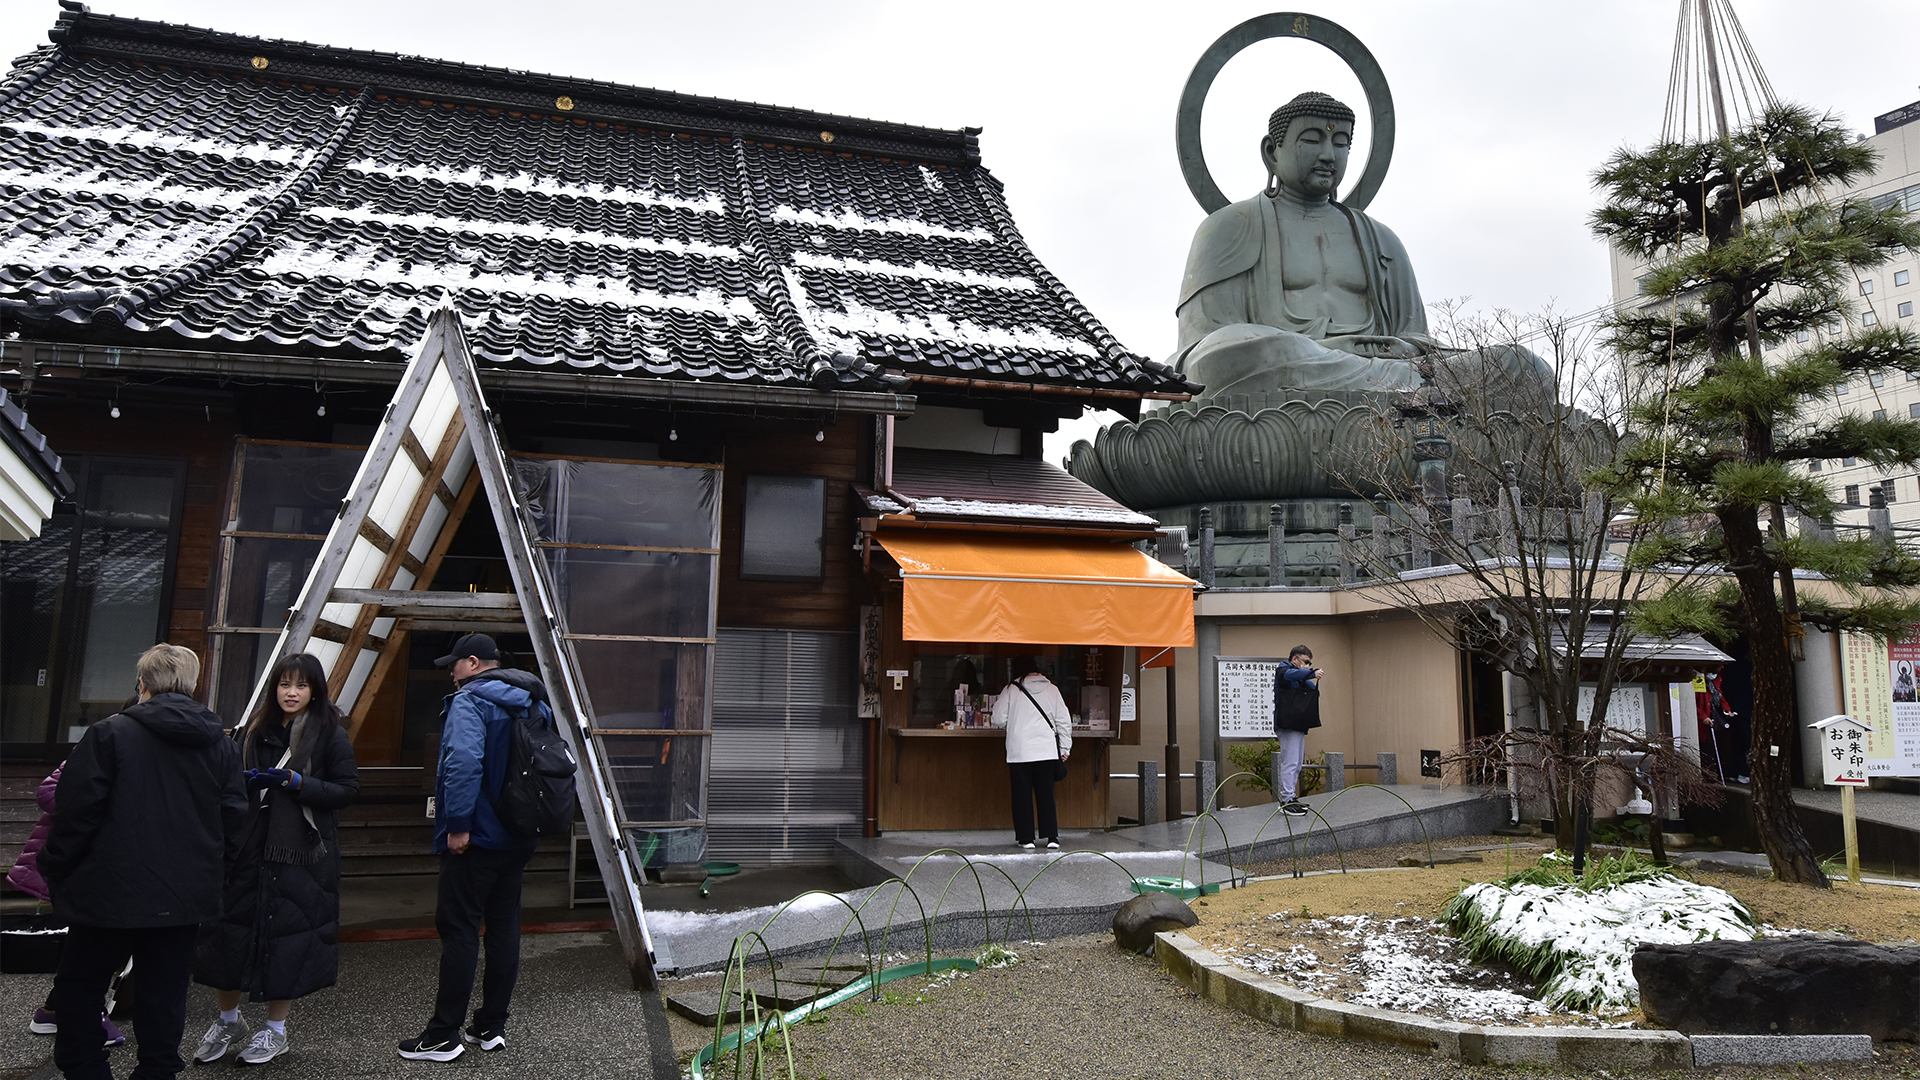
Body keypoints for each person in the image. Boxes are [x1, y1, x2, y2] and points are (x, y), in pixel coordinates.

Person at [1172, 92, 1554, 400]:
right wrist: (1310, 352)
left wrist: (1405, 361)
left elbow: (1413, 338)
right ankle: (1406, 393)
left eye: (1341, 143)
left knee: (1525, 367)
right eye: (1312, 140)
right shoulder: (1228, 227)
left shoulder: (1381, 239)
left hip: (1392, 369)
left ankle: (1404, 390)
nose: (1328, 155)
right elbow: (1206, 345)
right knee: (1238, 350)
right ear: (1273, 151)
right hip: (1289, 364)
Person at [39, 643, 247, 1080]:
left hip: (106, 889)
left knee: (82, 985)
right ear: (192, 686)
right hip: (184, 893)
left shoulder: (109, 734)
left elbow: (76, 813)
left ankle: (86, 1069)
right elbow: (233, 820)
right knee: (165, 991)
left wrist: (55, 866)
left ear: (143, 683)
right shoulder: (221, 745)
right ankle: (156, 1071)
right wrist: (214, 876)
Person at [190, 653, 359, 1066]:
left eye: (301, 685)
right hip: (244, 848)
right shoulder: (250, 731)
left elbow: (347, 790)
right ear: (274, 688)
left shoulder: (330, 734)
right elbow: (221, 784)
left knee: (288, 941)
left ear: (315, 690)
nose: (292, 692)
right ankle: (228, 1021)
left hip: (299, 854)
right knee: (227, 936)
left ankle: (275, 1030)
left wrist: (297, 782)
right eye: (285, 684)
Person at [398, 633, 549, 1062]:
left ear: (473, 662)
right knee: (503, 929)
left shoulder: (471, 700)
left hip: (477, 835)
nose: (450, 673)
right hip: (520, 833)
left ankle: (443, 1036)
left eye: (454, 664)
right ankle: (491, 1027)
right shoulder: (535, 701)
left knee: (460, 928)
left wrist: (459, 824)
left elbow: (463, 762)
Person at [11, 763, 126, 1049]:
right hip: (78, 861)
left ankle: (53, 1011)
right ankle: (84, 1014)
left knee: (96, 941)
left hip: (105, 863)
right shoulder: (103, 740)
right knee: (93, 941)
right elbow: (48, 791)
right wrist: (104, 814)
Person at [990, 656, 1072, 850]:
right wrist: (1065, 748)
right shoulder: (1052, 690)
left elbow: (998, 719)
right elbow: (1063, 721)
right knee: (1046, 794)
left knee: (1022, 795)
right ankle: (1052, 837)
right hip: (1046, 750)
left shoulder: (1011, 689)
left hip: (1020, 750)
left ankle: (1026, 838)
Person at [1272, 645, 1325, 817]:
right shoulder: (1283, 670)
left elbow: (1309, 686)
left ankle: (1291, 797)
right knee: (1290, 762)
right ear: (1295, 659)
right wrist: (1312, 673)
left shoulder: (1297, 675)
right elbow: (1292, 675)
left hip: (1297, 724)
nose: (1307, 666)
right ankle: (1287, 799)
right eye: (1305, 662)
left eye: (1310, 663)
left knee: (1296, 763)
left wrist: (1310, 677)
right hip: (1287, 724)